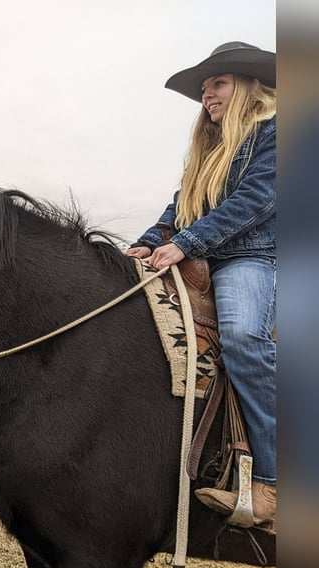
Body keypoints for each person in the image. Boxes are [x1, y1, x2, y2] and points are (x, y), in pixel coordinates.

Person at [126, 41, 276, 529]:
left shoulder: (278, 131)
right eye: (205, 87)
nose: (207, 95)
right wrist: (152, 241)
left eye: (218, 83)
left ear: (248, 85)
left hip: (256, 256)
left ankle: (274, 483)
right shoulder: (209, 146)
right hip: (207, 252)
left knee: (242, 337)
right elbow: (182, 202)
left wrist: (188, 243)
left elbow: (256, 201)